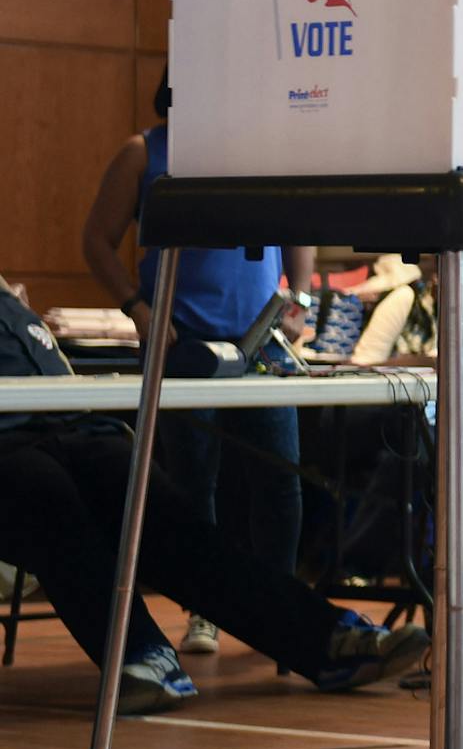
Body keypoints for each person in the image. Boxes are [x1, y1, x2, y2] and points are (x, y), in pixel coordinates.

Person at [0, 278, 429, 713]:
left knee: (167, 517)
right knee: (47, 495)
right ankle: (141, 656)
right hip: (8, 444)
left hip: (73, 427)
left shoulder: (10, 298)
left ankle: (325, 639)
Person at [81, 69, 317, 657]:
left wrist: (301, 297)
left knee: (281, 481)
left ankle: (284, 613)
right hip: (181, 345)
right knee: (190, 487)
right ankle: (205, 612)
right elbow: (95, 240)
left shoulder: (264, 149)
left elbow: (300, 225)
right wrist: (137, 309)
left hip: (261, 344)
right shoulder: (144, 153)